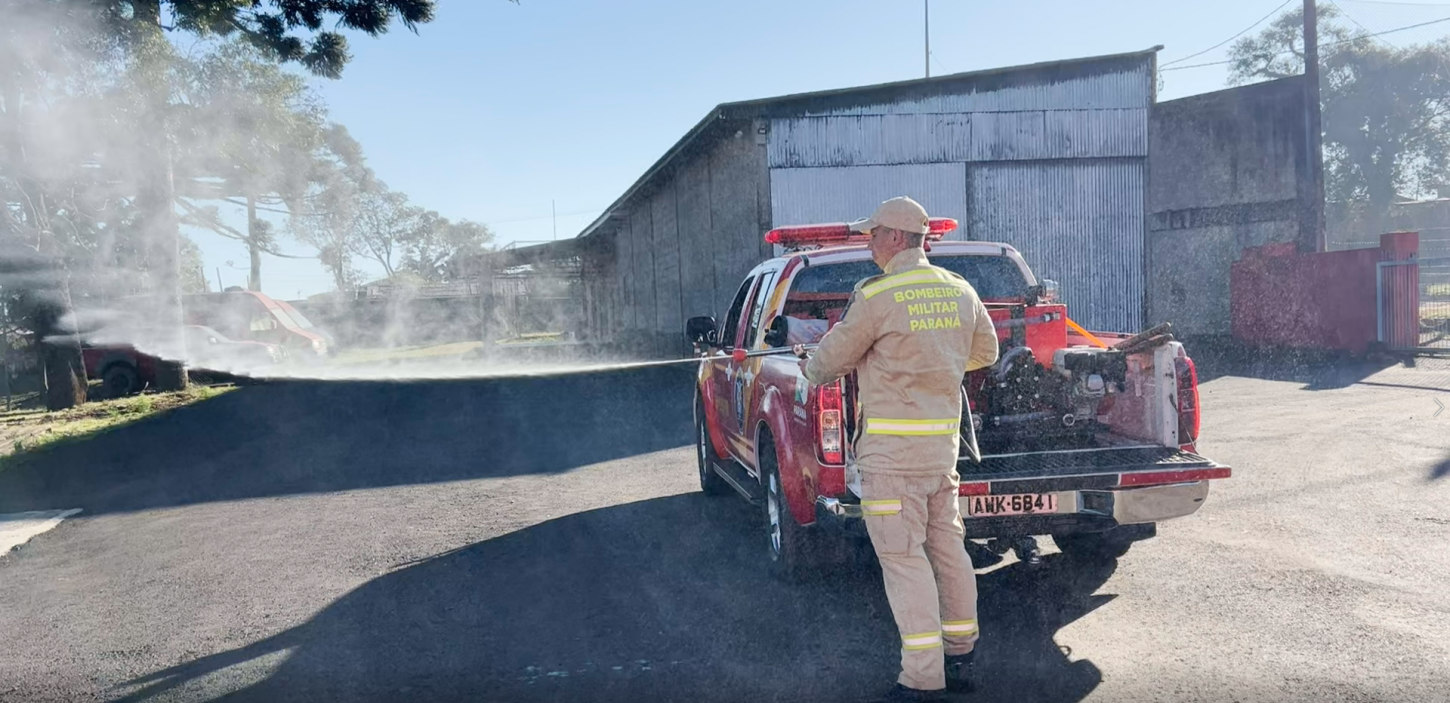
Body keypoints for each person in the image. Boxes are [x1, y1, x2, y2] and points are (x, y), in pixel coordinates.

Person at [795, 196, 1000, 702]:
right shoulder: (960, 290)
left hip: (891, 461)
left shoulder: (876, 296)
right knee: (949, 551)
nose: (867, 242)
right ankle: (962, 653)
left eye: (872, 234)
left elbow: (827, 365)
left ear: (895, 238)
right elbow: (986, 352)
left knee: (905, 561)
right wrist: (938, 359)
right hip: (941, 456)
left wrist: (810, 362)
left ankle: (922, 679)